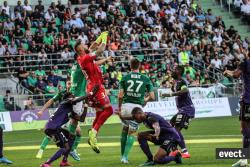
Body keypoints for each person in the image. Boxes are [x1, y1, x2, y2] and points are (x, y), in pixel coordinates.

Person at [40, 81, 97, 167]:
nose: (73, 96)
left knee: (72, 136)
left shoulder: (70, 110)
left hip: (55, 128)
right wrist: (90, 93)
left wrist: (85, 106)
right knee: (65, 147)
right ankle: (46, 163)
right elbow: (77, 99)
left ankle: (64, 161)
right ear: (69, 98)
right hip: (52, 128)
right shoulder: (65, 101)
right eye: (72, 95)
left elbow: (81, 119)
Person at [76, 31, 113, 153]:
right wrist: (105, 37)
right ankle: (93, 132)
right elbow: (100, 50)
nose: (86, 45)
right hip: (96, 87)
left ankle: (93, 137)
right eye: (83, 45)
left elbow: (93, 48)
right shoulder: (85, 57)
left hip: (91, 87)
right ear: (80, 50)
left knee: (99, 111)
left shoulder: (82, 58)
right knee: (109, 110)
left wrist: (101, 36)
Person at [117, 58, 155, 164]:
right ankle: (125, 157)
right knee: (132, 133)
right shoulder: (145, 78)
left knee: (125, 130)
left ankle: (122, 156)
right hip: (137, 109)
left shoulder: (125, 77)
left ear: (130, 66)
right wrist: (145, 100)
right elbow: (152, 96)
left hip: (125, 107)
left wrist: (120, 108)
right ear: (139, 66)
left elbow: (120, 95)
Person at [36, 81, 82, 161]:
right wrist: (42, 110)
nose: (70, 85)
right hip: (60, 115)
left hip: (70, 115)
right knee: (51, 133)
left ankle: (72, 150)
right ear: (66, 85)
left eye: (71, 83)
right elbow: (51, 101)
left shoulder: (76, 93)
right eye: (68, 83)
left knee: (78, 132)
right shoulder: (62, 93)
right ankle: (41, 149)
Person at [161, 65, 195, 158]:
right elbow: (174, 88)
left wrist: (170, 94)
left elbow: (185, 90)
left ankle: (185, 152)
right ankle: (175, 150)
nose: (172, 71)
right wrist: (172, 84)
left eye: (175, 70)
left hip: (187, 109)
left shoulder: (182, 82)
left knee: (175, 130)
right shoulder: (176, 82)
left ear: (179, 72)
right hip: (182, 110)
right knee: (170, 125)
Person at [224, 48, 250, 167]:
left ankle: (244, 160)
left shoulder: (245, 63)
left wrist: (227, 72)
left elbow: (235, 75)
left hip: (248, 101)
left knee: (245, 130)